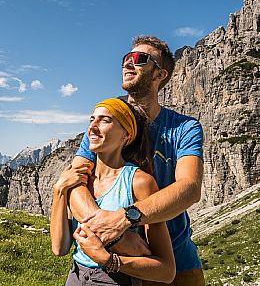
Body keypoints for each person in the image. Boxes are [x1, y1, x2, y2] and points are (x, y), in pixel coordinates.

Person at [68, 36, 205, 286]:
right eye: (126, 58)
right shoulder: (106, 122)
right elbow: (74, 182)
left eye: (140, 59)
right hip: (113, 267)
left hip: (177, 265)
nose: (128, 64)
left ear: (160, 74)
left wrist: (125, 218)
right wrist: (113, 237)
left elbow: (190, 189)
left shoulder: (184, 128)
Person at [50, 98, 176, 285]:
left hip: (116, 278)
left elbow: (166, 271)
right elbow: (59, 248)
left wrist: (110, 260)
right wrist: (59, 190)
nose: (93, 126)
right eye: (92, 119)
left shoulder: (139, 182)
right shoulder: (78, 181)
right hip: (76, 276)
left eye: (105, 120)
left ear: (126, 134)